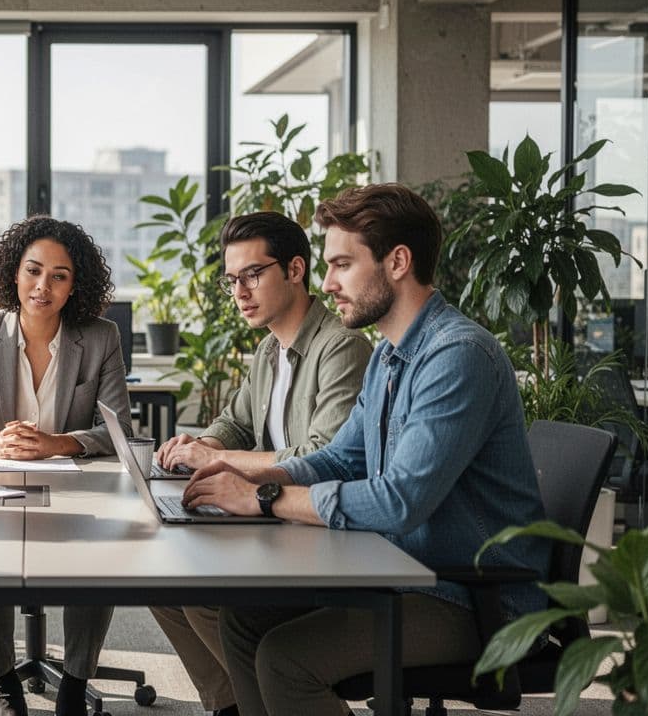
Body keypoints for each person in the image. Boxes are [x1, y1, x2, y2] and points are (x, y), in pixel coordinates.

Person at [183, 184, 550, 716]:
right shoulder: (389, 357)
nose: (326, 283)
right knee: (242, 620)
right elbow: (340, 458)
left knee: (285, 659)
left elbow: (400, 500)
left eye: (341, 265)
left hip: (467, 595)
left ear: (397, 261)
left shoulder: (457, 356)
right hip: (397, 568)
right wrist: (244, 484)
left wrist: (266, 499)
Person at [149, 211, 371, 716]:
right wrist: (196, 445)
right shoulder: (269, 349)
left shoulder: (342, 347)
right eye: (232, 281)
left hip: (317, 528)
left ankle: (273, 702)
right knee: (162, 584)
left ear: (295, 270)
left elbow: (325, 454)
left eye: (253, 275)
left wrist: (220, 457)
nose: (240, 292)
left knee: (207, 597)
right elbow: (234, 422)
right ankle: (234, 705)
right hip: (271, 519)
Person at [0, 215, 130, 716]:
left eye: (59, 275)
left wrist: (55, 443)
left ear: (73, 286)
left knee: (99, 553)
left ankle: (73, 684)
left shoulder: (101, 336)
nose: (43, 286)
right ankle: (3, 680)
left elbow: (117, 431)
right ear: (13, 274)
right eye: (33, 270)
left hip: (76, 484)